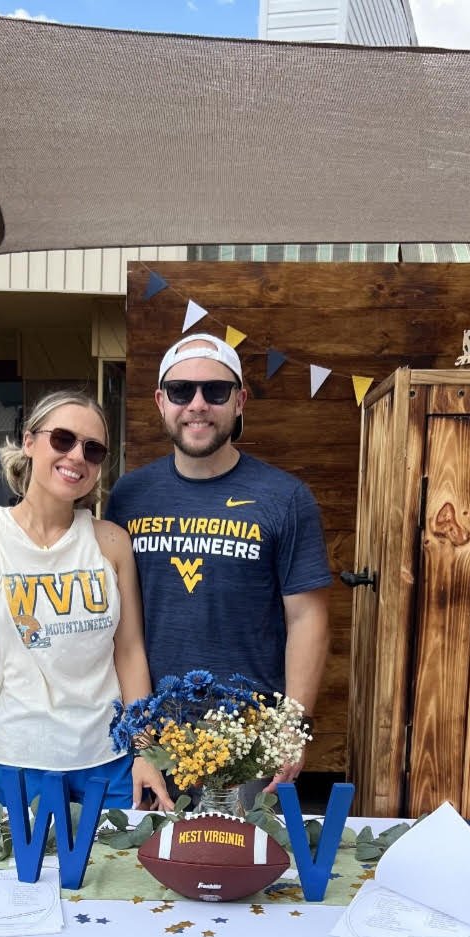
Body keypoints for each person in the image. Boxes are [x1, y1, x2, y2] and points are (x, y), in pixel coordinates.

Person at [105, 333, 332, 789]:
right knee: (147, 857)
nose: (197, 404)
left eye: (216, 390)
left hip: (248, 737)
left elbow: (308, 617)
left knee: (237, 857)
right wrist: (142, 738)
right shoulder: (129, 496)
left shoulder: (285, 498)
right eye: (181, 390)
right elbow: (120, 625)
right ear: (160, 401)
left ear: (240, 401)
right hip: (155, 734)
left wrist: (291, 725)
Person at [0, 390, 172, 812]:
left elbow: (129, 651)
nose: (76, 457)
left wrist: (144, 751)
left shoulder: (111, 542)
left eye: (93, 449)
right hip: (17, 758)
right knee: (26, 876)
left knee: (118, 871)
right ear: (29, 441)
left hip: (110, 758)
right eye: (63, 439)